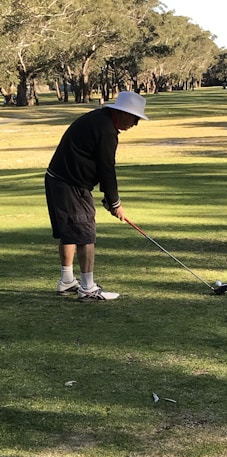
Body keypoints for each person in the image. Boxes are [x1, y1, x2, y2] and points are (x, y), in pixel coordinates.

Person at [45, 91, 149, 302]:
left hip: (59, 180)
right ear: (122, 113)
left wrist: (108, 200)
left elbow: (96, 165)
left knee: (71, 232)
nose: (135, 124)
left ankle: (67, 281)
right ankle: (87, 288)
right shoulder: (106, 130)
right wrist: (115, 203)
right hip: (69, 184)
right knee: (85, 234)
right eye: (134, 118)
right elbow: (106, 170)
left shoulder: (99, 120)